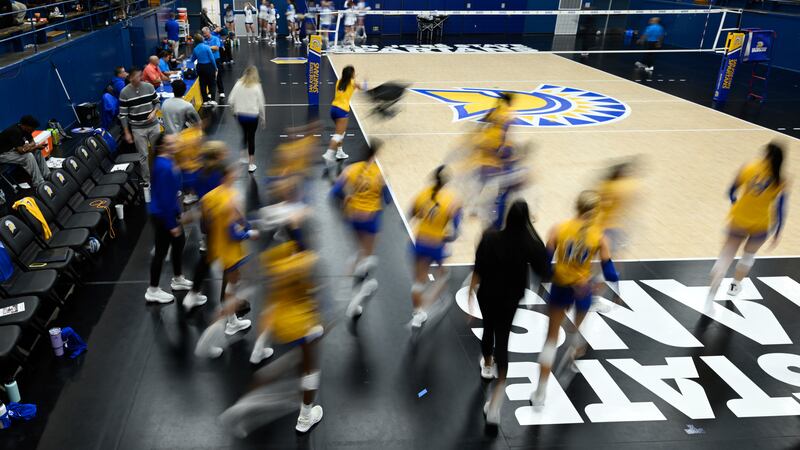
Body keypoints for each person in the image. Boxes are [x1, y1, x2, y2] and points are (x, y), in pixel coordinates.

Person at [531, 190, 620, 408]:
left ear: (576, 206)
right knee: (577, 330)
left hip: (561, 288)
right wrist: (616, 291)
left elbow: (544, 264)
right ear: (595, 211)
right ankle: (573, 355)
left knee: (550, 340)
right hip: (583, 290)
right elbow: (610, 272)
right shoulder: (599, 237)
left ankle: (540, 393)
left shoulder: (558, 229)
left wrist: (548, 281)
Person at [468, 200, 548, 425]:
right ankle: (495, 405)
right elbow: (544, 269)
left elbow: (479, 267)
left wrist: (470, 294)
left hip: (487, 294)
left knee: (488, 330)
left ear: (507, 217)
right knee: (502, 340)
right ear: (526, 219)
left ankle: (486, 365)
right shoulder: (530, 243)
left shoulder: (490, 237)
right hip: (510, 299)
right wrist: (534, 234)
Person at [706, 142, 789, 303]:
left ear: (765, 153)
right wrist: (778, 232)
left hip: (739, 219)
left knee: (726, 255)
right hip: (761, 224)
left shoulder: (748, 168)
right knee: (748, 256)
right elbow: (780, 209)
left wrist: (734, 202)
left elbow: (731, 191)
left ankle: (712, 291)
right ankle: (735, 286)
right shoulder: (781, 179)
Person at [332, 142, 390, 319]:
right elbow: (387, 199)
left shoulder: (351, 169)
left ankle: (348, 283)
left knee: (360, 252)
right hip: (370, 219)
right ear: (375, 155)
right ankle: (355, 298)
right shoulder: (378, 174)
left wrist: (347, 199)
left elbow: (335, 192)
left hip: (353, 217)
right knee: (367, 257)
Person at [201, 160, 258, 342]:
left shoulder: (210, 196)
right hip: (231, 249)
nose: (235, 174)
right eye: (232, 172)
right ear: (226, 176)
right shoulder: (230, 197)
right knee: (232, 284)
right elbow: (233, 232)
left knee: (233, 281)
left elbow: (204, 225)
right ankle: (229, 321)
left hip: (219, 247)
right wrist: (250, 232)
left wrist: (244, 224)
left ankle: (230, 317)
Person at [407, 166, 462, 329]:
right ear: (446, 183)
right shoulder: (451, 200)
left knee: (418, 281)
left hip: (420, 241)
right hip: (436, 244)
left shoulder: (422, 194)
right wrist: (449, 236)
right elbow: (456, 230)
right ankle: (434, 301)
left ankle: (417, 313)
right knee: (443, 275)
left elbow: (412, 214)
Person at [145, 134, 193, 304]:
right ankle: (153, 289)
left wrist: (177, 212)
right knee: (160, 252)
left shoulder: (168, 161)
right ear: (163, 146)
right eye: (172, 142)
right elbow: (165, 198)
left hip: (170, 211)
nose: (177, 143)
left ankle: (178, 278)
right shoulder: (164, 166)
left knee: (179, 243)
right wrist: (172, 223)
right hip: (162, 215)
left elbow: (173, 192)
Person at [119, 66, 161, 189]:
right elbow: (123, 115)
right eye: (137, 76)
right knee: (143, 155)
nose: (140, 78)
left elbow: (157, 103)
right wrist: (127, 132)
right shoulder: (124, 93)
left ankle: (159, 176)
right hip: (137, 128)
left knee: (157, 151)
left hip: (153, 125)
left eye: (140, 75)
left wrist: (154, 112)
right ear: (130, 77)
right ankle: (147, 180)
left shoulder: (149, 87)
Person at [228, 66, 266, 173]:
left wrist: (234, 112)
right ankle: (251, 164)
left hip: (240, 116)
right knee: (251, 137)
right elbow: (261, 104)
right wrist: (263, 118)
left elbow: (230, 100)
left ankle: (242, 157)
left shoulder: (238, 84)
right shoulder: (257, 86)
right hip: (253, 116)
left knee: (244, 133)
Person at [323, 65, 365, 163]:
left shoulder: (339, 82)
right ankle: (328, 154)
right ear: (351, 74)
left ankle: (340, 152)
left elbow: (348, 83)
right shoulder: (353, 83)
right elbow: (362, 88)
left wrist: (352, 78)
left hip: (333, 109)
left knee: (341, 132)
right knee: (338, 135)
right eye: (354, 72)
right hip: (342, 111)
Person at [0, 115, 51, 188]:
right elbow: (21, 151)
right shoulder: (15, 131)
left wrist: (30, 146)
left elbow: (32, 141)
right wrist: (33, 147)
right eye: (32, 128)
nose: (34, 130)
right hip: (2, 154)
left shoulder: (25, 129)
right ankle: (38, 182)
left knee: (37, 151)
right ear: (26, 126)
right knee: (28, 156)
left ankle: (47, 175)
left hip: (11, 150)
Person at [191, 33, 217, 105]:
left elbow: (192, 59)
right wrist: (215, 67)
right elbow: (212, 58)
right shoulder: (207, 47)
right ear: (202, 39)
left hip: (200, 67)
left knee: (202, 84)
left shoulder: (195, 49)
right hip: (208, 66)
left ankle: (205, 100)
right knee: (212, 83)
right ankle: (212, 100)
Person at [202, 27, 225, 98]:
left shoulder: (216, 38)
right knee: (209, 77)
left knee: (218, 76)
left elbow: (217, 48)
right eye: (203, 34)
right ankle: (210, 92)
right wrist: (211, 48)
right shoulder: (203, 40)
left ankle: (221, 91)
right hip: (208, 60)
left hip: (216, 59)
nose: (204, 35)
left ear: (209, 32)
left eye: (205, 34)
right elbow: (204, 49)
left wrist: (207, 47)